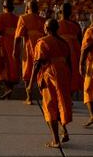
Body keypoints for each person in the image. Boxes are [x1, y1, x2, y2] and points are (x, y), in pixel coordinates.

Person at [27, 18, 72, 148]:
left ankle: (55, 140)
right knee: (59, 103)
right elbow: (69, 63)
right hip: (63, 74)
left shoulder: (43, 42)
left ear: (46, 29)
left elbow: (37, 64)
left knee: (49, 105)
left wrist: (30, 84)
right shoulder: (64, 43)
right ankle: (64, 131)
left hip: (50, 75)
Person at [14, 0, 46, 102]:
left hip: (29, 47)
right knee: (41, 70)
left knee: (27, 70)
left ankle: (29, 97)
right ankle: (43, 95)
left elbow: (18, 36)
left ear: (28, 9)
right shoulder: (43, 19)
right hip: (41, 47)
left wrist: (15, 49)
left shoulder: (23, 18)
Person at [0, 0, 20, 99]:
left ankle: (7, 89)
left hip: (3, 44)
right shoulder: (17, 18)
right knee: (11, 68)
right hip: (14, 45)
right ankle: (9, 92)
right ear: (13, 8)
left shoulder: (0, 17)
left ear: (4, 7)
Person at [58, 2, 84, 95]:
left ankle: (68, 97)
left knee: (70, 74)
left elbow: (80, 41)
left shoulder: (74, 25)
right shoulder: (74, 25)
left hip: (70, 53)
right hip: (65, 53)